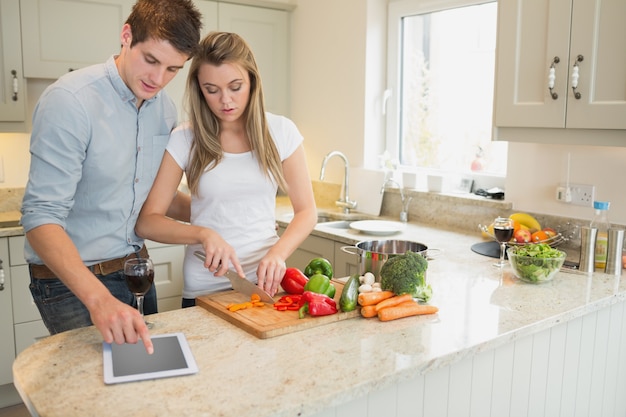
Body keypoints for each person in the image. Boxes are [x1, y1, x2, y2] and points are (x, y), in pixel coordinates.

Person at [20, 0, 203, 353]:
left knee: (141, 380)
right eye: (150, 60)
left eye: (172, 69)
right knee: (98, 394)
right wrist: (99, 299)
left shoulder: (162, 108)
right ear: (126, 35)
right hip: (72, 282)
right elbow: (40, 218)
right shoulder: (70, 101)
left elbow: (154, 193)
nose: (158, 79)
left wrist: (217, 216)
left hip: (135, 270)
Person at [135, 32, 317, 306]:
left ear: (252, 81)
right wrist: (203, 233)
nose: (225, 101)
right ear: (199, 88)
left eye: (235, 86)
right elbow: (148, 220)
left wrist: (278, 254)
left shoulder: (281, 132)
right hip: (203, 289)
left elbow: (307, 212)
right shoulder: (185, 138)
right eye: (212, 90)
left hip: (264, 284)